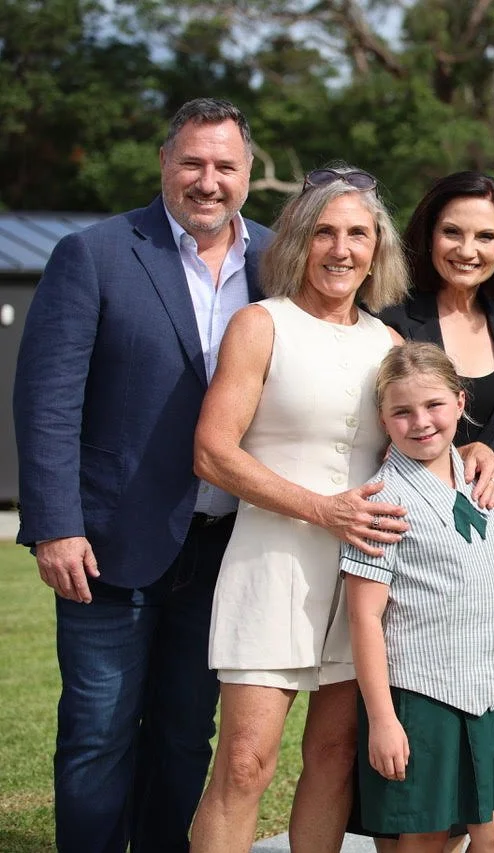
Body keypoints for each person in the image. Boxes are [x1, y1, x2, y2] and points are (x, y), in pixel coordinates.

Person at [12, 97, 270, 852]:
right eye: (192, 161)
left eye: (225, 165)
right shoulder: (93, 252)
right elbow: (47, 402)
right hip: (110, 546)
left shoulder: (277, 261)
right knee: (98, 736)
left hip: (227, 550)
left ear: (249, 174)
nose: (207, 180)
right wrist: (56, 523)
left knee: (188, 736)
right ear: (164, 163)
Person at [187, 165, 413, 851]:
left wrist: (488, 460)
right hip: (271, 565)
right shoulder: (261, 325)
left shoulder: (391, 346)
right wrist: (324, 510)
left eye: (357, 234)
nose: (341, 249)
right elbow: (212, 452)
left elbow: (417, 454)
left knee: (334, 756)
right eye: (324, 233)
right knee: (246, 763)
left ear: (378, 249)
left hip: (360, 581)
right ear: (296, 241)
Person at [343, 341, 494, 853]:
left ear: (460, 402)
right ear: (384, 421)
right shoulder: (381, 501)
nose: (421, 421)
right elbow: (364, 617)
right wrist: (382, 719)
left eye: (433, 406)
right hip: (420, 694)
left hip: (488, 690)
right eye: (402, 411)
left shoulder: (482, 486)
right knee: (422, 837)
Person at [381, 171, 494, 533]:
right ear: (429, 236)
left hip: (483, 532)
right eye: (452, 232)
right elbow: (374, 441)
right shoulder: (388, 318)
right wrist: (460, 455)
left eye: (485, 237)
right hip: (406, 526)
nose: (467, 251)